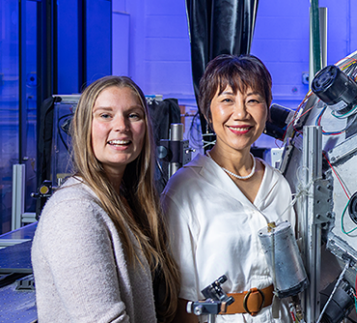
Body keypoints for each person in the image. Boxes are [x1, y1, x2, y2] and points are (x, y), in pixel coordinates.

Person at [31, 76, 181, 322]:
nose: (121, 126)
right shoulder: (74, 212)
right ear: (83, 127)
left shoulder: (129, 202)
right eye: (105, 115)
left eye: (133, 115)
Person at [163, 54, 295, 322]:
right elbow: (180, 302)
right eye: (227, 100)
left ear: (267, 109)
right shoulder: (184, 190)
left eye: (253, 100)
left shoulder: (279, 185)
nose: (241, 113)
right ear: (207, 110)